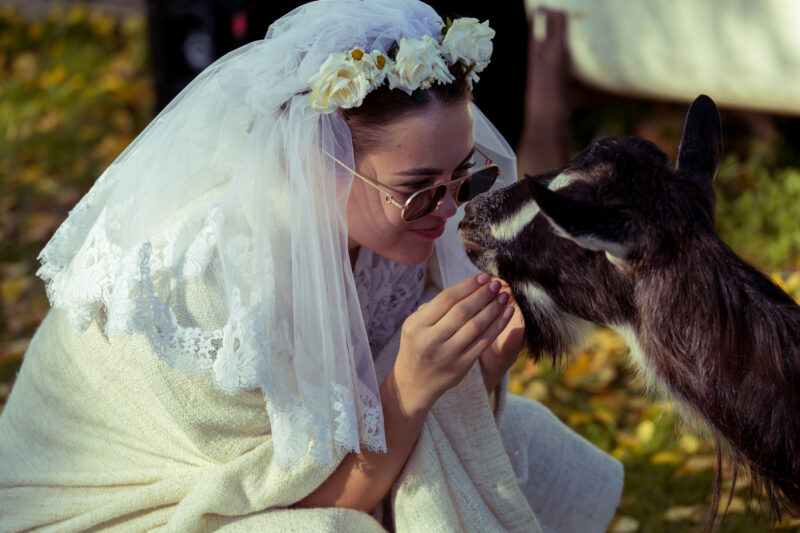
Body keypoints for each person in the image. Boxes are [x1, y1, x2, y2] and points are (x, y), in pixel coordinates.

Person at [0, 1, 623, 531]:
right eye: (419, 187)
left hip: (311, 478)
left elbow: (386, 432)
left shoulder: (402, 226)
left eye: (464, 174)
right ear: (319, 160)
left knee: (520, 442)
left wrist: (477, 373)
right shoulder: (216, 284)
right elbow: (307, 501)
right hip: (109, 506)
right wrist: (409, 388)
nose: (450, 209)